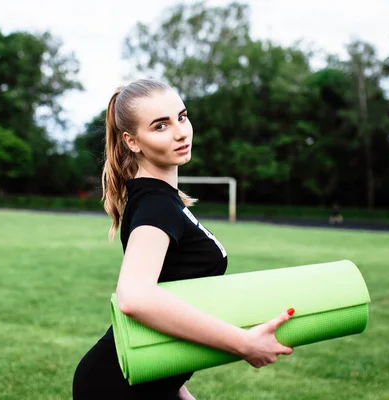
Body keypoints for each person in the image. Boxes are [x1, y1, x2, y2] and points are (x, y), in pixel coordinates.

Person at [72, 79, 295, 399]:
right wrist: (245, 343)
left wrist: (179, 392)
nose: (180, 132)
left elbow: (169, 308)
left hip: (149, 381)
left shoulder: (162, 200)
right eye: (160, 126)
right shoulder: (156, 205)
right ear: (132, 141)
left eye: (182, 116)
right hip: (116, 385)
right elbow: (134, 297)